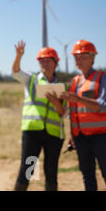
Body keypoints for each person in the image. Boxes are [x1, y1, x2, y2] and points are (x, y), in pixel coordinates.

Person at [12, 40, 66, 191]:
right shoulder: (31, 80)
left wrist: (56, 103)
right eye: (42, 61)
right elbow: (16, 72)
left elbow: (63, 113)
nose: (45, 64)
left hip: (54, 135)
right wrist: (18, 57)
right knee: (27, 170)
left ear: (56, 63)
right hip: (33, 133)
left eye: (48, 61)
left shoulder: (63, 86)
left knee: (51, 172)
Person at [59, 40, 106, 191]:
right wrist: (71, 134)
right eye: (76, 58)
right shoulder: (74, 81)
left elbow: (105, 105)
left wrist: (79, 99)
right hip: (80, 138)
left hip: (101, 137)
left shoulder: (101, 78)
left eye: (82, 57)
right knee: (87, 175)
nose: (78, 61)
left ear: (93, 58)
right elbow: (73, 112)